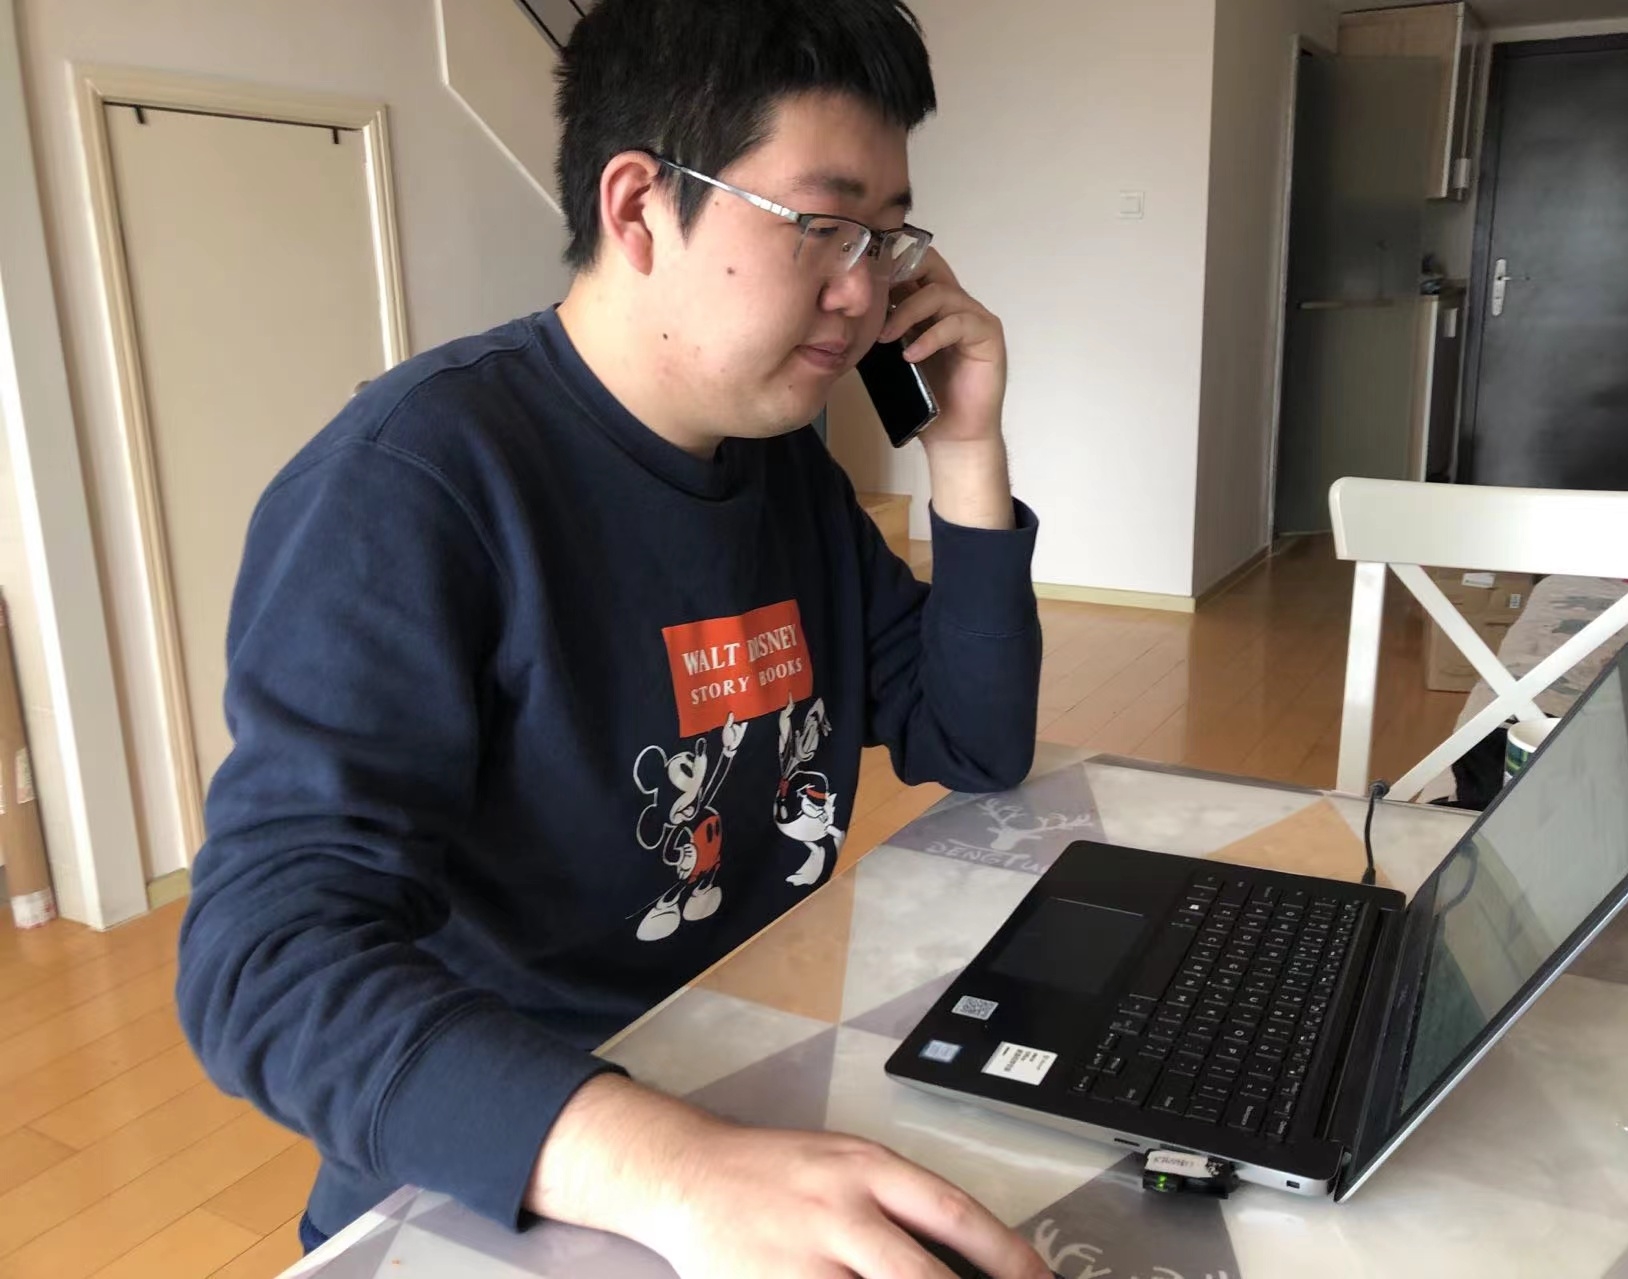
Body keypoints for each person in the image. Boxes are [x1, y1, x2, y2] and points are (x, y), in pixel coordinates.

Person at [176, 1, 1047, 1275]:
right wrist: (677, 1166)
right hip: (514, 1173)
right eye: (821, 225)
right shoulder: (409, 487)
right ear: (638, 206)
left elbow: (971, 740)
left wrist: (964, 446)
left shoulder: (780, 469)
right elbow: (263, 963)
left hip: (746, 1087)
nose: (863, 293)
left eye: (884, 237)